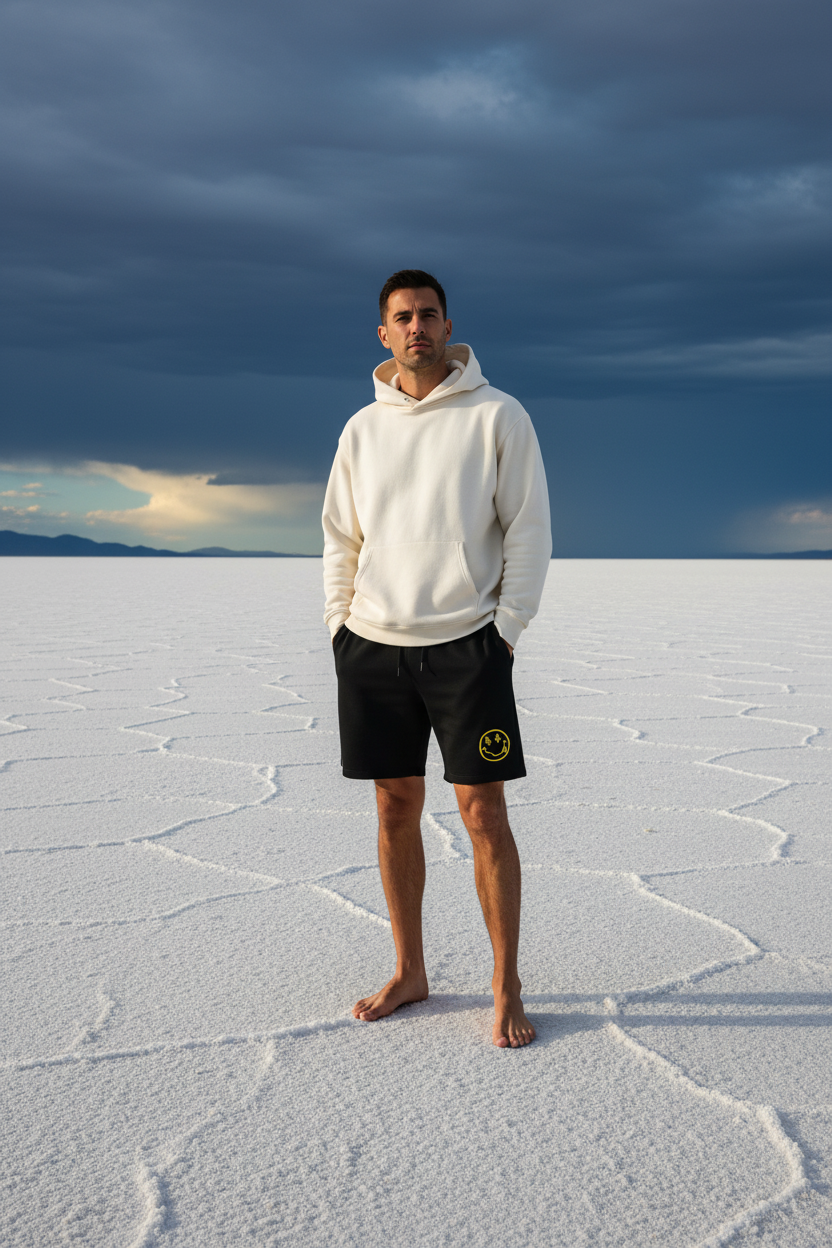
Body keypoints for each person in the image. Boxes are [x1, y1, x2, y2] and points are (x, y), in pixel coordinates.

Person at [322, 269, 552, 1048]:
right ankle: (410, 970)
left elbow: (527, 528)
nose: (416, 327)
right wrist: (340, 628)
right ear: (383, 333)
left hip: (467, 648)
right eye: (402, 317)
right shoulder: (363, 429)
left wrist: (506, 631)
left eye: (427, 314)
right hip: (373, 645)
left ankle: (505, 982)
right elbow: (340, 537)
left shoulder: (498, 415)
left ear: (448, 326)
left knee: (483, 814)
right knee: (394, 807)